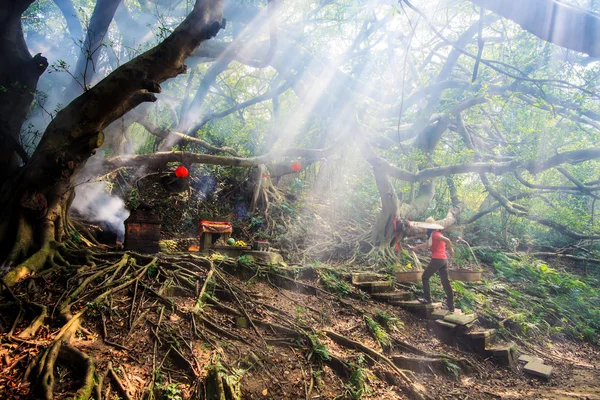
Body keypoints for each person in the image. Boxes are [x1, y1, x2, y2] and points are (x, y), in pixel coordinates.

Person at [409, 217, 455, 312]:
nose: (426, 230)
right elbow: (427, 244)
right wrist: (416, 247)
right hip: (443, 260)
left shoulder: (435, 235)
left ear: (429, 228)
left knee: (425, 277)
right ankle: (451, 306)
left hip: (437, 260)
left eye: (426, 228)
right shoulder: (434, 235)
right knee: (445, 282)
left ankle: (427, 299)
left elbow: (448, 240)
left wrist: (451, 249)